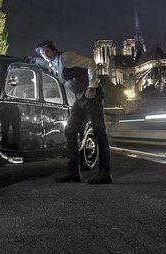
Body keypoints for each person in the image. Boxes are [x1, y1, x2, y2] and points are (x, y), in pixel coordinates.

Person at [30, 39, 112, 184]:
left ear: (53, 50)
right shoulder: (51, 63)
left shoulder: (66, 57)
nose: (45, 55)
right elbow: (40, 62)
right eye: (43, 53)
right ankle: (74, 172)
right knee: (70, 130)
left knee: (99, 131)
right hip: (80, 99)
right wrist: (28, 59)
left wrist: (92, 86)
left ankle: (105, 172)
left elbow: (90, 63)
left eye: (47, 51)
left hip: (91, 96)